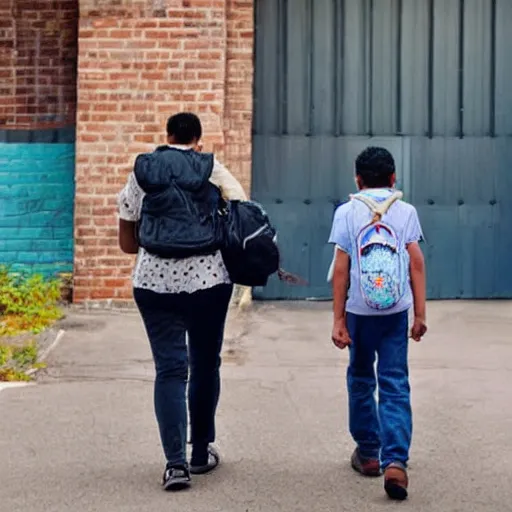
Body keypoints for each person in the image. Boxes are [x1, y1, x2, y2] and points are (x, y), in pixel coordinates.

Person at [117, 113, 247, 491]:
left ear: (167, 136)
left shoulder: (144, 169)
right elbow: (242, 207)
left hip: (153, 285)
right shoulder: (210, 167)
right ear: (198, 142)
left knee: (170, 370)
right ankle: (200, 452)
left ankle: (175, 466)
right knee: (205, 364)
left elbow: (128, 241)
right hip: (209, 283)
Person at [328, 147, 427, 501]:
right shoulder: (405, 211)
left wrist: (338, 319)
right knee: (395, 381)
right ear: (393, 179)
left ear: (358, 179)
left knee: (359, 378)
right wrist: (419, 314)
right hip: (395, 311)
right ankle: (396, 459)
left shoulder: (347, 211)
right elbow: (416, 263)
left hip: (358, 311)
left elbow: (341, 269)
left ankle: (369, 453)